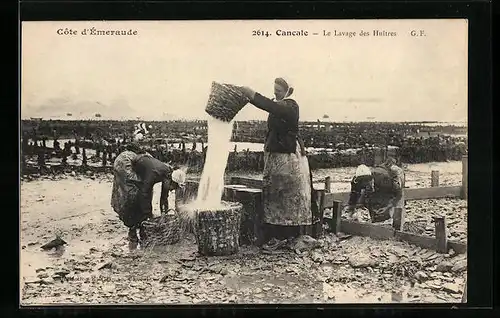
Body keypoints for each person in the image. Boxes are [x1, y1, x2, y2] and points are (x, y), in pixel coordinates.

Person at [240, 78, 316, 250]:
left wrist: (253, 96)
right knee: (274, 195)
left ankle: (288, 236)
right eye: (274, 90)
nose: (275, 93)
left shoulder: (290, 106)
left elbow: (272, 106)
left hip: (288, 159)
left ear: (288, 91)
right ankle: (277, 236)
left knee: (288, 196)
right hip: (276, 158)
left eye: (279, 91)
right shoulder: (280, 106)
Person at [111, 143, 186, 245]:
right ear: (171, 180)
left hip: (142, 160)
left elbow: (164, 197)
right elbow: (144, 194)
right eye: (174, 187)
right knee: (133, 195)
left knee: (144, 193)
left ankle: (142, 228)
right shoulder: (155, 174)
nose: (172, 190)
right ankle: (132, 230)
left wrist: (164, 214)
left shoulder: (167, 175)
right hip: (126, 161)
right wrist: (148, 215)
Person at [343, 157, 405, 222]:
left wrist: (389, 206)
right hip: (379, 172)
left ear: (371, 179)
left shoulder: (383, 179)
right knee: (372, 205)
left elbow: (399, 193)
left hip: (393, 173)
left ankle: (398, 223)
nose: (366, 186)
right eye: (363, 185)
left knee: (393, 209)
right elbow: (353, 195)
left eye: (367, 184)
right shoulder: (355, 181)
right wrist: (351, 211)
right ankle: (375, 218)